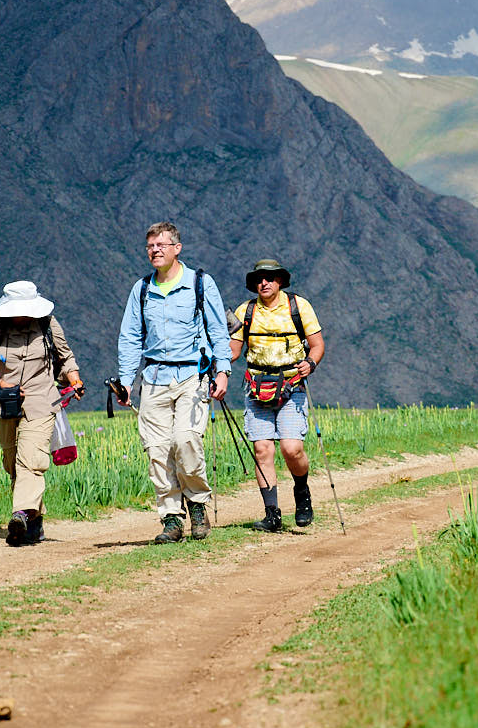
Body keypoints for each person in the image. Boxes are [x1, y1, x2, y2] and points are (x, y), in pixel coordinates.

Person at [115, 222, 230, 543]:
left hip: (192, 376)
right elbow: (130, 338)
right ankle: (171, 518)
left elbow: (219, 331)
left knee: (186, 439)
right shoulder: (141, 290)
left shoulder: (200, 284)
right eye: (151, 246)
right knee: (157, 449)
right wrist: (125, 381)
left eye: (162, 245)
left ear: (177, 248)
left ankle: (196, 505)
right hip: (152, 379)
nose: (155, 250)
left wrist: (222, 371)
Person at [0, 281, 82, 546]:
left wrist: (75, 380)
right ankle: (35, 522)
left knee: (30, 460)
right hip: (4, 403)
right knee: (13, 463)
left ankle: (19, 513)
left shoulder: (47, 324)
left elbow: (66, 359)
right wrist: (2, 384)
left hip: (41, 401)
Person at [228, 258, 326, 532]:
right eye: (260, 278)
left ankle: (302, 491)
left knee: (291, 449)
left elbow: (317, 345)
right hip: (256, 387)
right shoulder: (245, 311)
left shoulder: (299, 306)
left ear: (280, 280)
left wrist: (311, 363)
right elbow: (235, 350)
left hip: (291, 385)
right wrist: (218, 360)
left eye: (270, 278)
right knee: (262, 449)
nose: (264, 282)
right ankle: (272, 514)